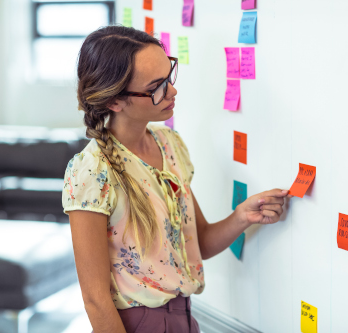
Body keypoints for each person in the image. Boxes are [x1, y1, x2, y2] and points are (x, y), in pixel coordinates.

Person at [62, 25, 290, 333]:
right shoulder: (90, 172)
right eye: (156, 86)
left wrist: (242, 216)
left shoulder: (169, 144)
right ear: (114, 101)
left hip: (184, 318)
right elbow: (96, 300)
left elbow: (199, 243)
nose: (172, 91)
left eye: (169, 76)